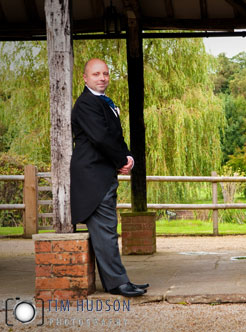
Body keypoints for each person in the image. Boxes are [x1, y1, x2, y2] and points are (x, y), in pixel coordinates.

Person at [70, 58, 149, 297]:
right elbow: (101, 138)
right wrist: (120, 161)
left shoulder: (104, 103)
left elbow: (115, 135)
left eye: (105, 73)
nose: (102, 77)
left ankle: (118, 280)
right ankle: (117, 284)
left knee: (107, 229)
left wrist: (128, 157)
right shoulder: (86, 104)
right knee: (106, 230)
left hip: (103, 174)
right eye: (96, 74)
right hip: (92, 176)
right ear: (85, 78)